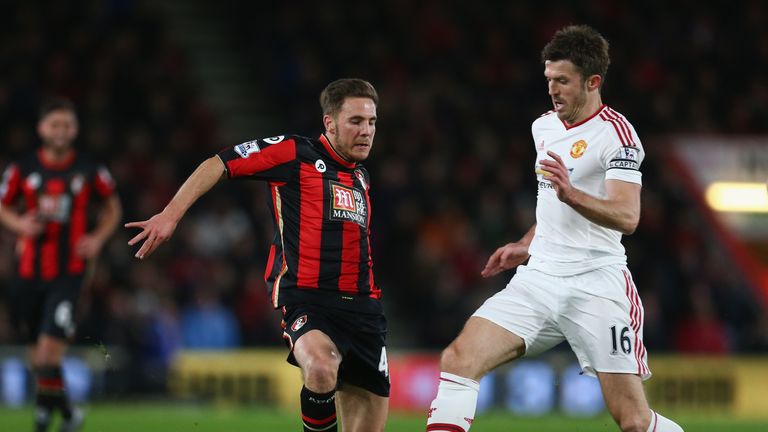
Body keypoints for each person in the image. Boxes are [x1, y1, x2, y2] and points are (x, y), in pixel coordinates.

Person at [425, 25, 684, 432]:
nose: (553, 90)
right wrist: (526, 244)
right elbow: (551, 202)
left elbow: (627, 216)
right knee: (459, 360)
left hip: (596, 283)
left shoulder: (617, 135)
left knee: (633, 421)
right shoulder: (543, 128)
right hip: (540, 279)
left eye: (563, 81)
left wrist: (572, 194)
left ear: (593, 81)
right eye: (549, 80)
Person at [126, 78, 388, 432]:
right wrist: (171, 215)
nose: (366, 131)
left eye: (371, 122)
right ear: (330, 122)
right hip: (309, 301)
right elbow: (218, 163)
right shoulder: (295, 152)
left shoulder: (361, 178)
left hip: (363, 312)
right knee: (322, 368)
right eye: (356, 121)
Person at [0, 98, 122, 432]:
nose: (61, 131)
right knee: (35, 355)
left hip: (69, 273)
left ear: (75, 129)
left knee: (47, 354)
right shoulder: (22, 170)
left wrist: (96, 238)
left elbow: (113, 207)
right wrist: (20, 225)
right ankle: (64, 414)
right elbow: (3, 206)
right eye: (55, 124)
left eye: (67, 125)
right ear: (41, 129)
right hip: (27, 272)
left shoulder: (88, 169)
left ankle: (44, 421)